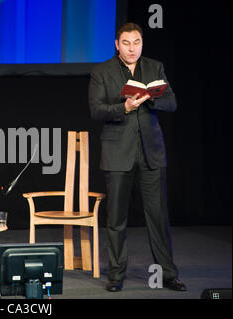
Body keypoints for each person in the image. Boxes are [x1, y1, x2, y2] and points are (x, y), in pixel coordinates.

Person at [88, 23, 186, 292]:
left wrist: (151, 98)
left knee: (158, 216)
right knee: (116, 219)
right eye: (127, 43)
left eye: (137, 42)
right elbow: (96, 111)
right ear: (117, 45)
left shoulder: (154, 68)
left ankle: (168, 274)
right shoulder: (102, 71)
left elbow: (172, 103)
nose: (132, 48)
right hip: (118, 152)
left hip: (151, 152)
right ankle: (116, 275)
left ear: (142, 44)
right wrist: (125, 107)